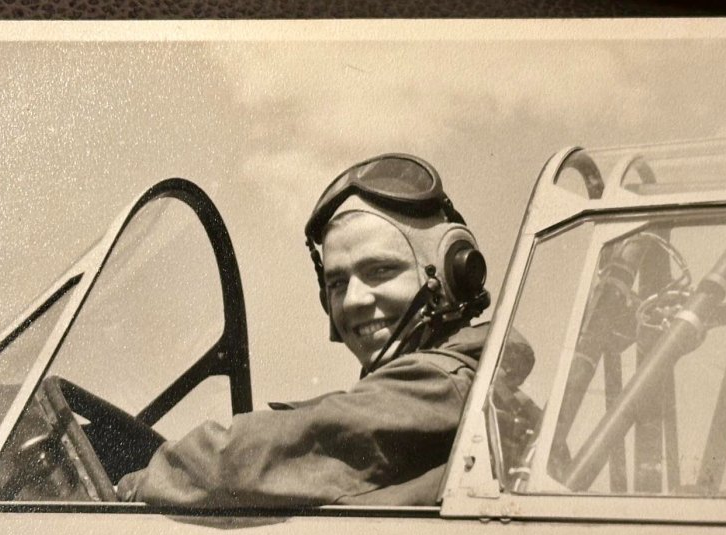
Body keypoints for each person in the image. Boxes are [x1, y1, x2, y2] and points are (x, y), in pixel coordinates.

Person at [117, 153, 535, 507]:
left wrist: (132, 486)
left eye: (381, 271)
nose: (352, 301)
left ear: (450, 275)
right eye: (337, 283)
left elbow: (282, 446)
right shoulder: (444, 389)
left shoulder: (448, 385)